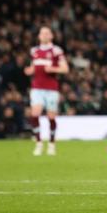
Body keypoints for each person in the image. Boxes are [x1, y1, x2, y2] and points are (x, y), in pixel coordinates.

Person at [24, 26, 69, 156]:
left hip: (51, 88)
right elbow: (33, 67)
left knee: (51, 117)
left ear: (51, 36)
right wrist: (30, 70)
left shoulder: (56, 51)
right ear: (39, 36)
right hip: (37, 87)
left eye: (46, 33)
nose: (44, 35)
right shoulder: (34, 51)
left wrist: (53, 69)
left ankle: (51, 143)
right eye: (42, 33)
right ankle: (38, 143)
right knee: (35, 113)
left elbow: (65, 68)